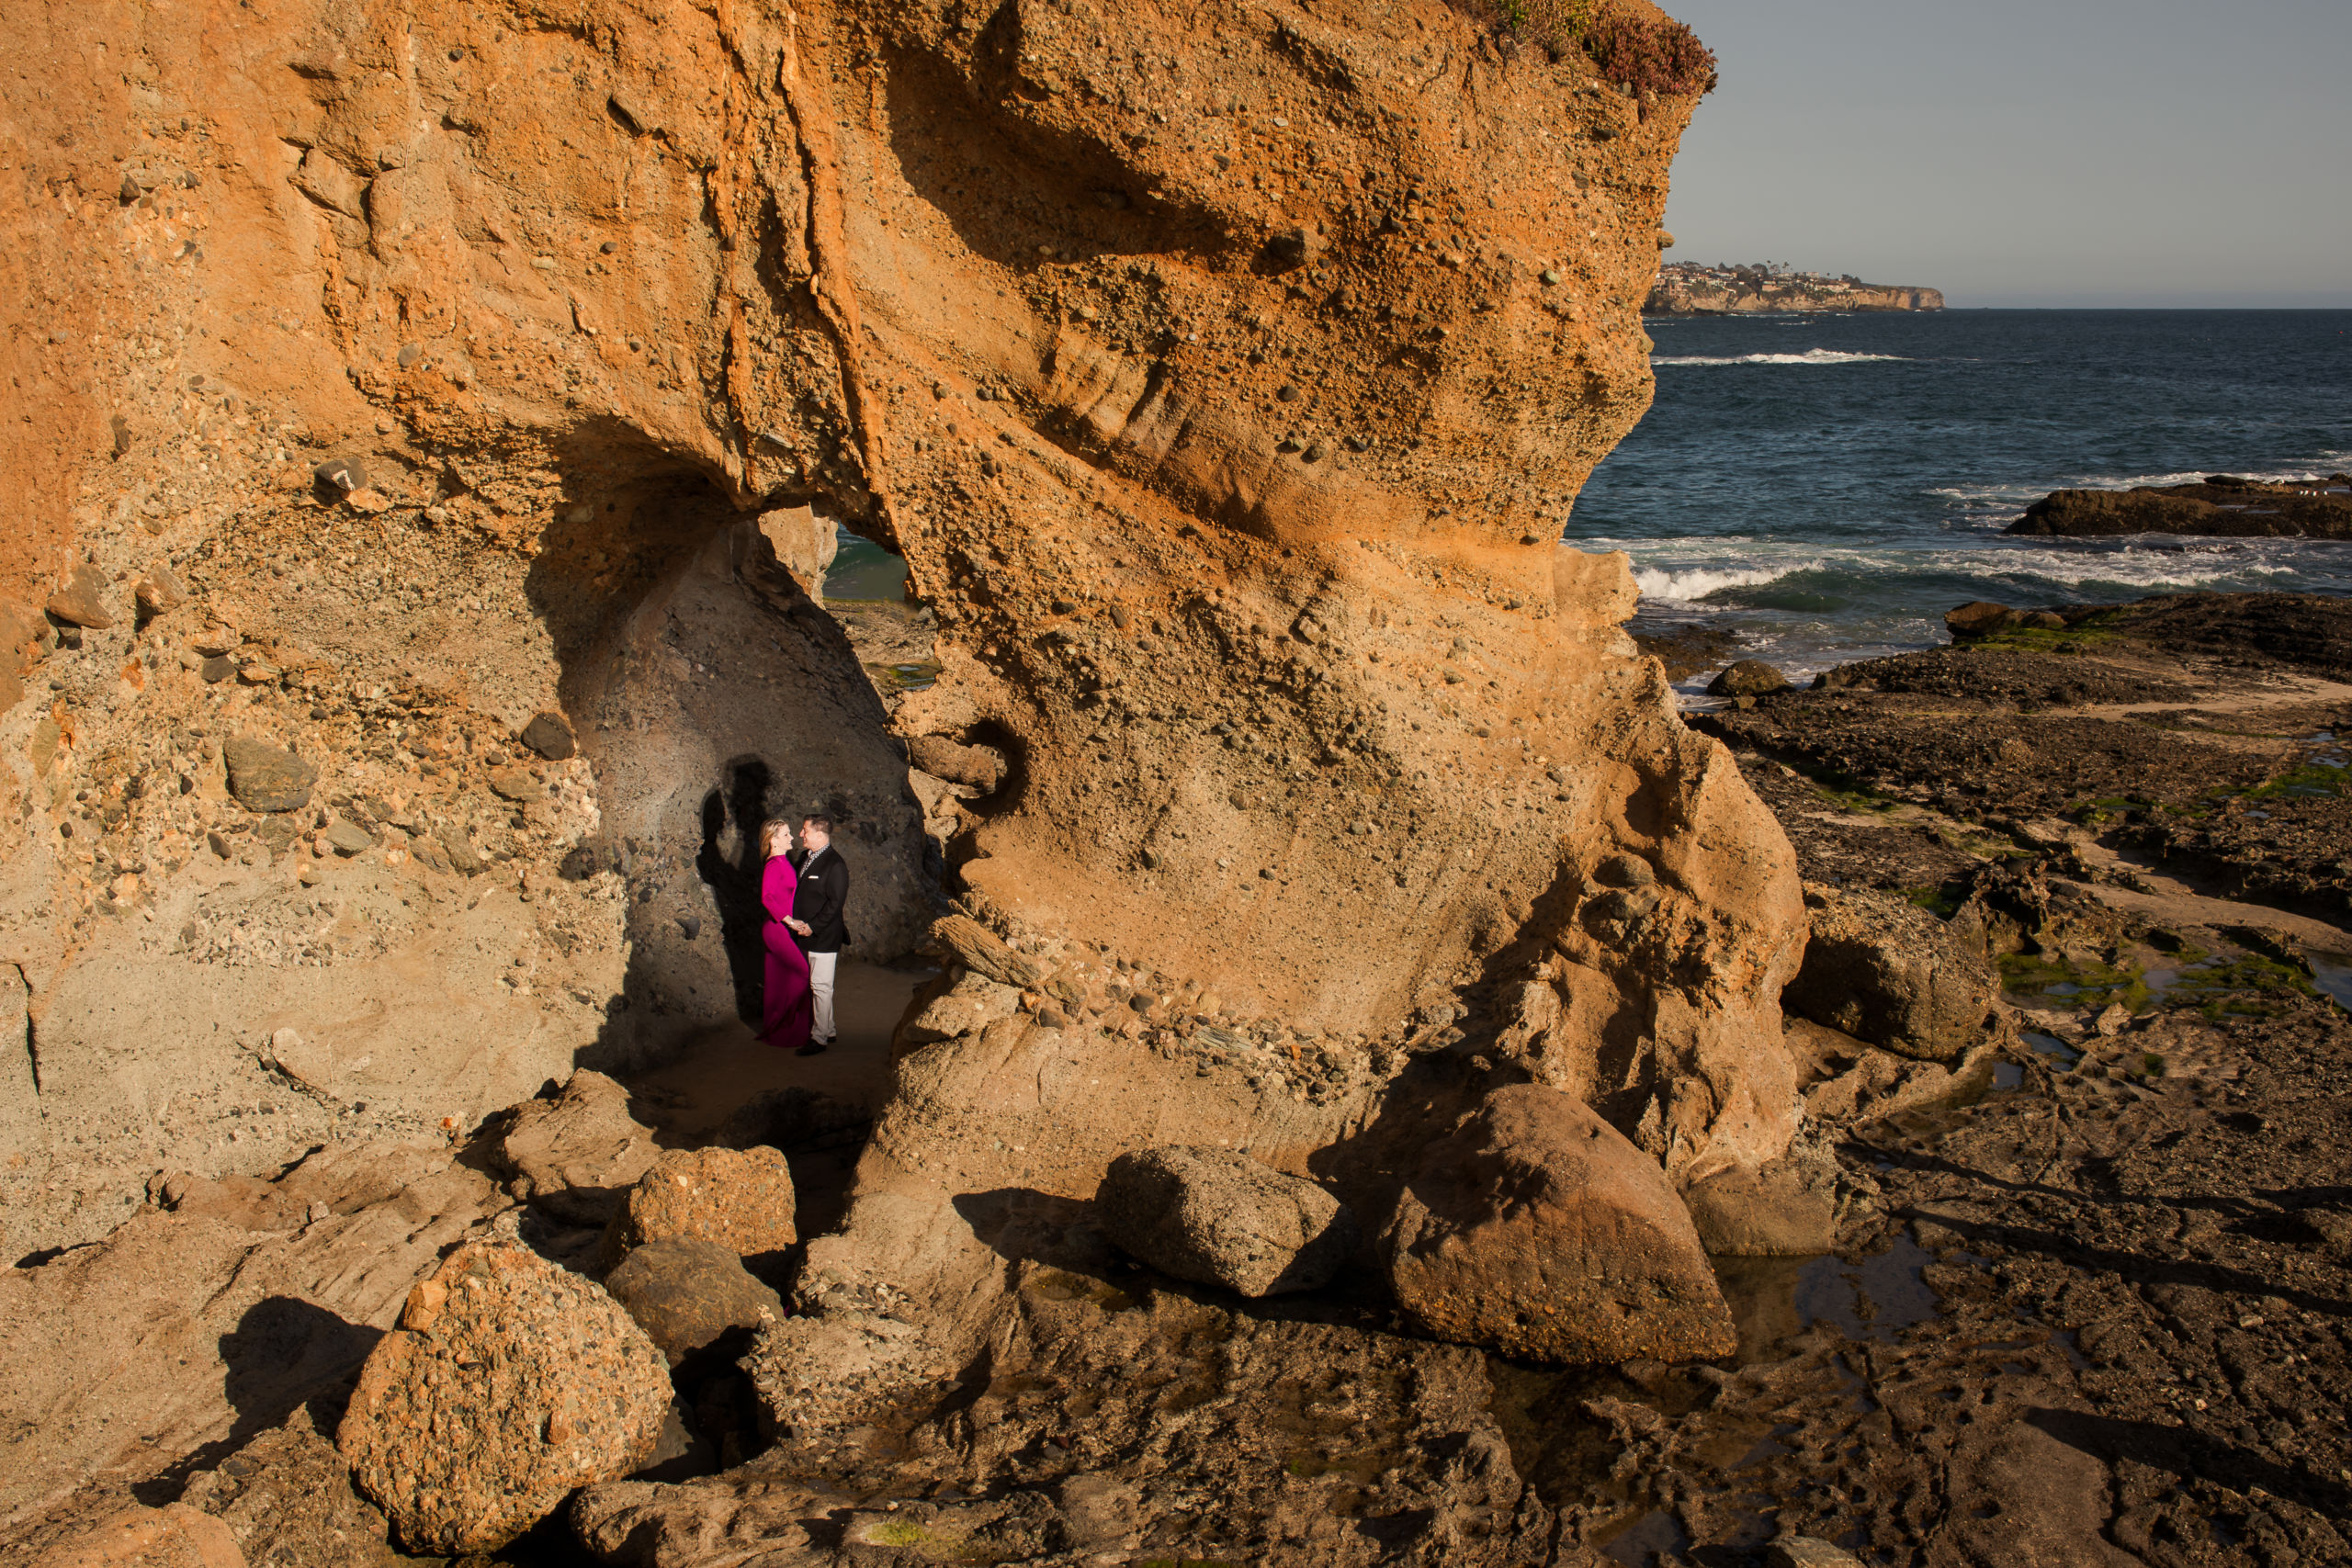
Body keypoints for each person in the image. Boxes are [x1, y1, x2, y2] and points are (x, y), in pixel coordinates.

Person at [784, 814, 849, 1055]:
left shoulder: (836, 864)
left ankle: (818, 1039)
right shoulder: (805, 857)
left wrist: (813, 926)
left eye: (805, 831)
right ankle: (828, 1030)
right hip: (805, 933)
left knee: (821, 986)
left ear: (819, 835)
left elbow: (835, 904)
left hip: (824, 934)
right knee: (817, 986)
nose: (801, 834)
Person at [756, 819, 814, 1053]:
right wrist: (790, 921)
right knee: (802, 972)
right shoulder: (773, 864)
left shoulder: (783, 862)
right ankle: (783, 1027)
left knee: (780, 980)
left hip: (783, 929)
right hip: (776, 930)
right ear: (773, 840)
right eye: (787, 834)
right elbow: (766, 898)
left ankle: (785, 1031)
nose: (792, 838)